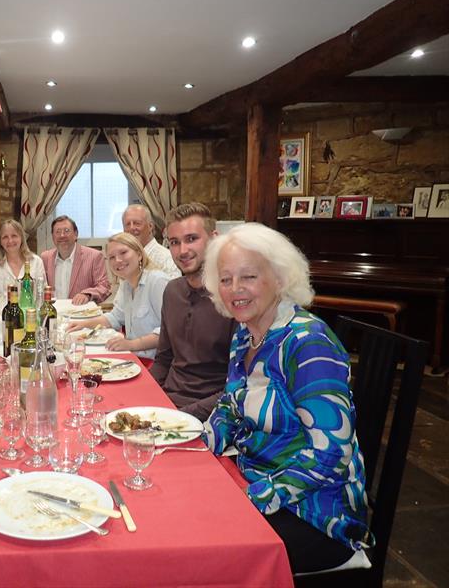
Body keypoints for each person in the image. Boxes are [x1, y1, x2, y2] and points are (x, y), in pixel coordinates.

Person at [201, 222, 370, 574]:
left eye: (248, 276)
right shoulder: (246, 335)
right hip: (257, 478)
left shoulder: (308, 344)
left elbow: (331, 453)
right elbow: (232, 407)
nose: (235, 289)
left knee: (201, 552)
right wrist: (195, 446)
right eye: (226, 279)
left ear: (279, 278)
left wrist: (253, 498)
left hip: (316, 513)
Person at [150, 203, 236, 420]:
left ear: (214, 238)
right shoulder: (172, 291)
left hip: (212, 413)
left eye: (191, 239)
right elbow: (163, 358)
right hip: (167, 401)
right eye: (174, 242)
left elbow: (239, 387)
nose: (182, 251)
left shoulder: (234, 299)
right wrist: (145, 398)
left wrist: (181, 416)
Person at [66, 233, 169, 361]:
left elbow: (168, 331)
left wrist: (131, 344)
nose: (118, 260)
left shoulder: (157, 281)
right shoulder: (127, 284)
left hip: (157, 362)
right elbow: (115, 317)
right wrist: (83, 324)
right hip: (135, 356)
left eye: (123, 253)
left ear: (139, 254)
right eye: (112, 257)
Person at [40, 215, 111, 305]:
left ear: (76, 234)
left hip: (81, 313)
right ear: (53, 237)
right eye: (57, 232)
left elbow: (104, 286)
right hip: (53, 313)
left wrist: (87, 295)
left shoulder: (94, 256)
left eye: (66, 231)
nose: (62, 235)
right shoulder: (45, 257)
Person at [0, 218, 46, 300]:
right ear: (0, 242)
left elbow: (43, 295)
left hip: (31, 312)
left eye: (14, 236)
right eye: (5, 237)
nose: (10, 241)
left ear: (21, 238)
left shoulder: (36, 262)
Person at [122, 204, 179, 278]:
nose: (131, 228)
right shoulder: (124, 259)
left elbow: (174, 288)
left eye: (137, 223)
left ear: (150, 226)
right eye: (127, 224)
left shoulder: (166, 258)